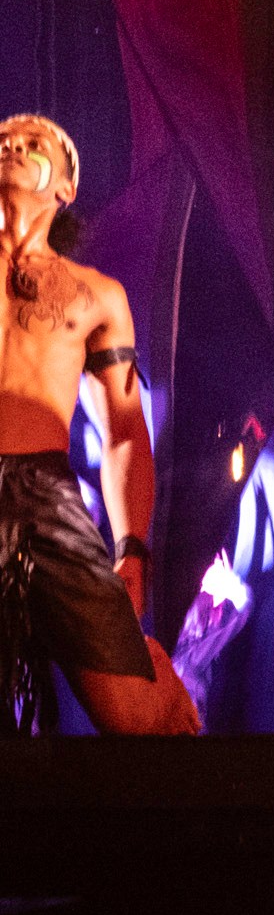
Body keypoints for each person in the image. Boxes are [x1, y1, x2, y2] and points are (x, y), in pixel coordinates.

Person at [0, 114, 196, 735]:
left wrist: (131, 548)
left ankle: (156, 678)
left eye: (35, 144)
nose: (14, 147)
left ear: (66, 186)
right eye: (3, 143)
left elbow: (124, 433)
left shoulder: (95, 295)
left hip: (45, 495)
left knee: (136, 719)